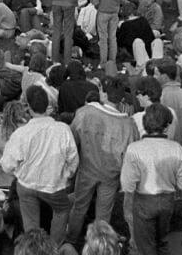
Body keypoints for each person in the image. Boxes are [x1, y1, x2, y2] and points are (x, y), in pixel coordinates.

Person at [0, 86, 78, 245]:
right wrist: (66, 175)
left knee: (31, 224)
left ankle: (33, 248)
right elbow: (73, 161)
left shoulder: (21, 133)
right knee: (61, 211)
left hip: (28, 185)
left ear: (28, 107)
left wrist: (19, 172)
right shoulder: (63, 130)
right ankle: (54, 246)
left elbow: (6, 165)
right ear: (46, 104)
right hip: (53, 185)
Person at [66, 75, 138, 241]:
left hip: (86, 169)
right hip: (111, 175)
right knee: (104, 214)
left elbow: (71, 140)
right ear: (121, 99)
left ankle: (71, 238)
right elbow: (130, 155)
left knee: (79, 206)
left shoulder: (84, 113)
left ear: (103, 94)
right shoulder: (128, 125)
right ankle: (99, 246)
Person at [120, 104, 182, 255]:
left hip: (143, 200)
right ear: (166, 127)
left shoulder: (135, 148)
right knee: (163, 239)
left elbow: (127, 184)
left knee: (146, 245)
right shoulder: (176, 148)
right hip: (167, 200)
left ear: (145, 124)